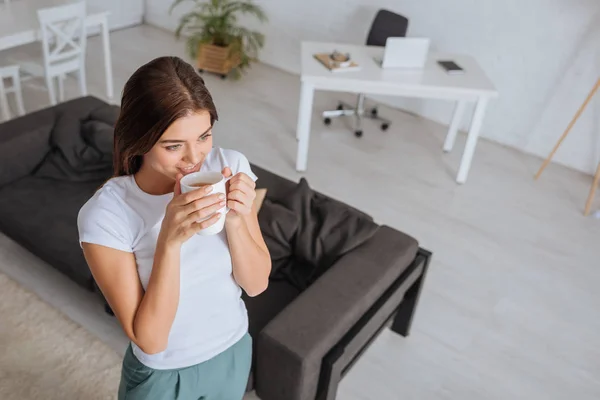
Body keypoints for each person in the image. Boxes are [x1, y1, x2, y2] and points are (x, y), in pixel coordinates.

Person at [77, 56, 271, 400]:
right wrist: (169, 240)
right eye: (173, 146)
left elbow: (256, 285)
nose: (194, 158)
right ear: (140, 139)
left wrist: (237, 218)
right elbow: (150, 339)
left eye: (204, 136)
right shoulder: (107, 215)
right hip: (162, 376)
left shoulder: (230, 165)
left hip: (233, 351)